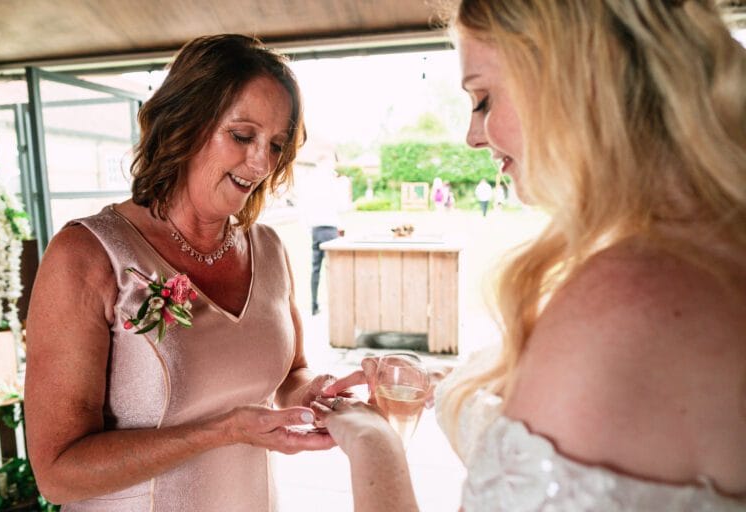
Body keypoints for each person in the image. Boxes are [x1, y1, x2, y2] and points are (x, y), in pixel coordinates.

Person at [315, 1, 746, 510]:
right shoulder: (713, 250)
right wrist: (442, 386)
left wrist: (372, 441)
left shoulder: (628, 298)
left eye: (483, 99)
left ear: (579, 81)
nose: (472, 136)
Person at [24, 34, 338, 511]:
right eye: (242, 136)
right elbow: (57, 474)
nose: (261, 163)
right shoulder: (87, 255)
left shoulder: (270, 249)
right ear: (184, 123)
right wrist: (223, 430)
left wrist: (316, 393)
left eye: (276, 145)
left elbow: (291, 372)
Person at [296, 145, 345, 315]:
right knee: (335, 270)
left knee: (315, 268)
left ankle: (314, 305)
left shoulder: (308, 182)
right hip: (331, 228)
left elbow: (302, 208)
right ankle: (336, 305)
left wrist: (308, 229)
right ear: (327, 163)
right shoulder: (332, 181)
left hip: (316, 230)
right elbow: (342, 206)